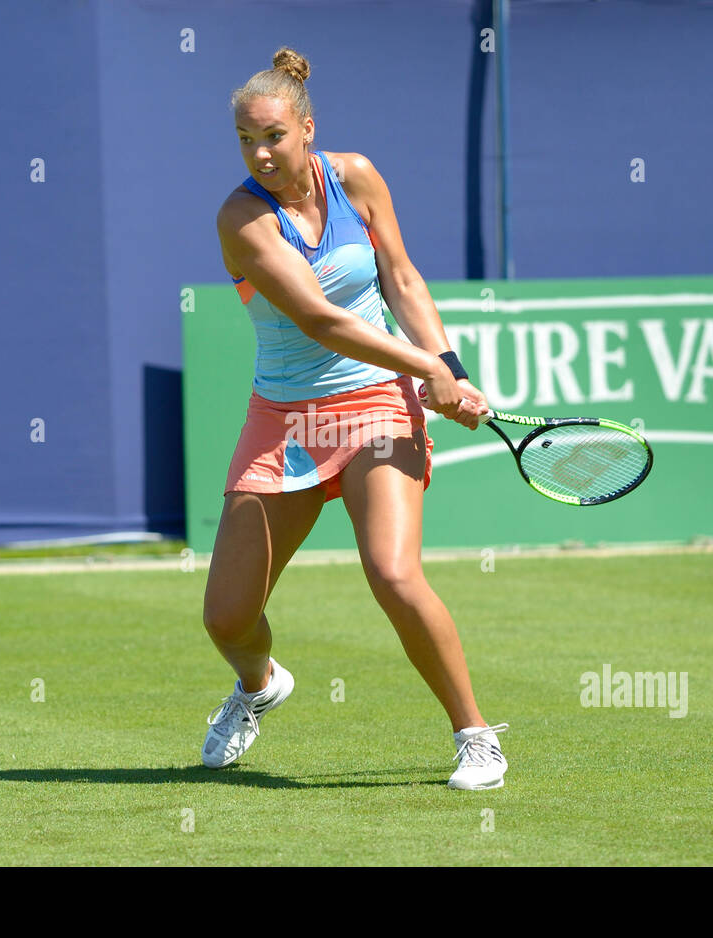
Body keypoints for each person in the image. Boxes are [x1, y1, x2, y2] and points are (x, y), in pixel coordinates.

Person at [203, 46, 509, 790]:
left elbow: (402, 277)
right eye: (246, 139)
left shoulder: (358, 177)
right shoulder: (243, 220)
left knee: (394, 573)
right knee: (226, 618)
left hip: (375, 404)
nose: (261, 152)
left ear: (306, 129)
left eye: (273, 136)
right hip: (286, 416)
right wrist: (428, 369)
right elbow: (319, 319)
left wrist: (451, 366)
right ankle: (257, 685)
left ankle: (476, 737)